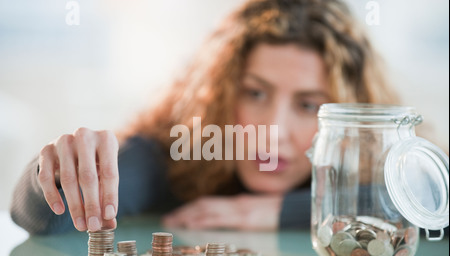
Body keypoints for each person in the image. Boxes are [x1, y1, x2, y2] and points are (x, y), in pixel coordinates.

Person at [10, 0, 399, 235]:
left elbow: (434, 205)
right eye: (255, 93)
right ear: (220, 92)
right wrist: (61, 171)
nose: (272, 134)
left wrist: (283, 211)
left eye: (308, 105)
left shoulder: (384, 163)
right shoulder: (177, 151)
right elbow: (46, 218)